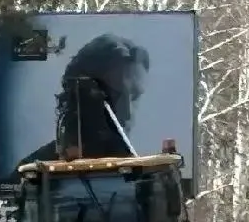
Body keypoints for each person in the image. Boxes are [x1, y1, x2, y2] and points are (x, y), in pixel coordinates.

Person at [14, 33, 151, 170]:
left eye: (134, 97)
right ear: (79, 95)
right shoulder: (34, 173)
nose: (128, 113)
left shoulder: (149, 175)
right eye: (113, 95)